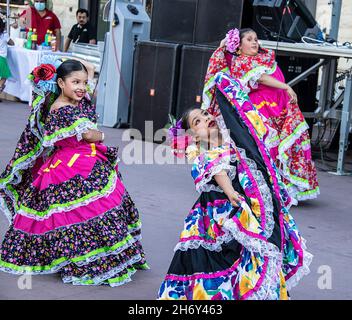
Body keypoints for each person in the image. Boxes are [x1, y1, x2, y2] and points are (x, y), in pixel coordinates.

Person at [158, 72, 313, 300]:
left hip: (245, 201)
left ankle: (263, 291)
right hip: (220, 212)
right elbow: (218, 170)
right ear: (193, 136)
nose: (205, 119)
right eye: (197, 122)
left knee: (251, 249)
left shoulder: (232, 140)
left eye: (204, 114)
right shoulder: (202, 153)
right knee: (224, 253)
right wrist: (231, 192)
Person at [0, 56, 148, 286]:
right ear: (60, 83)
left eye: (84, 82)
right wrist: (101, 135)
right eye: (75, 82)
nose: (81, 88)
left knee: (95, 209)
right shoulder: (60, 109)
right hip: (71, 165)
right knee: (80, 213)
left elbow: (86, 112)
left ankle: (98, 256)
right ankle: (86, 260)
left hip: (84, 160)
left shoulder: (72, 104)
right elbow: (89, 134)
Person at [203, 28, 319, 202]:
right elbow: (261, 78)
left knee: (282, 144)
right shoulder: (242, 61)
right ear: (239, 46)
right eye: (249, 39)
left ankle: (283, 186)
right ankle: (269, 186)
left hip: (276, 105)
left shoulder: (259, 58)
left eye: (256, 39)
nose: (255, 42)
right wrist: (286, 87)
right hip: (261, 108)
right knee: (269, 146)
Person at [0, 19, 14, 94]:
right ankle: (0, 87)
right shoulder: (4, 35)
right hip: (1, 59)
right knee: (4, 75)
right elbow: (12, 43)